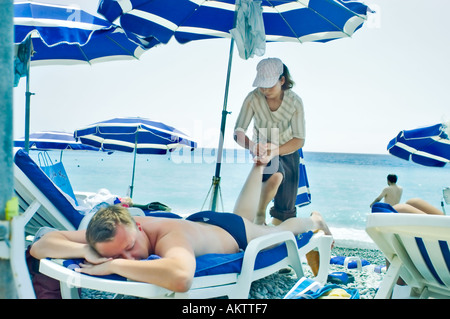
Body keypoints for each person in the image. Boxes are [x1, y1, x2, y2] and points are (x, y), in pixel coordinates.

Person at [30, 164, 332, 293]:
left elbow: (180, 278)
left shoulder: (168, 239)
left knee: (275, 233)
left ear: (138, 225)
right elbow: (41, 245)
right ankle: (260, 189)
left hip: (231, 233)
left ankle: (313, 220)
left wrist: (116, 265)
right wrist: (88, 250)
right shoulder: (112, 232)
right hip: (201, 222)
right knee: (249, 218)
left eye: (131, 248)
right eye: (117, 253)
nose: (131, 256)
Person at [234, 57, 306, 225]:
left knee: (285, 212)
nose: (265, 90)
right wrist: (252, 146)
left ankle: (276, 237)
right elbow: (238, 132)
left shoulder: (295, 102)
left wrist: (276, 150)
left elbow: (299, 139)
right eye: (262, 85)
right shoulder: (253, 98)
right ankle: (259, 215)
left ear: (282, 80)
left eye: (269, 85)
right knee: (275, 175)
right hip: (263, 147)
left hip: (289, 149)